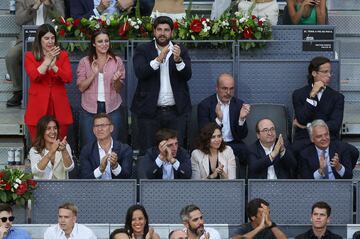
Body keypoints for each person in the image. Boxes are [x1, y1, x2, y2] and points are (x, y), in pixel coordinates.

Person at [131, 16, 192, 153]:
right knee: (148, 152)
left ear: (171, 32)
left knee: (177, 151)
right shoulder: (143, 50)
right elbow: (140, 72)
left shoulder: (180, 49)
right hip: (149, 113)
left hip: (176, 112)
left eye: (166, 30)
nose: (162, 33)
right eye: (159, 29)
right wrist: (159, 59)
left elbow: (187, 75)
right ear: (154, 31)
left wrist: (178, 60)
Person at [292, 56, 359, 166]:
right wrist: (312, 95)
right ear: (314, 73)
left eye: (330, 72)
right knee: (290, 153)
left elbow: (335, 125)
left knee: (353, 152)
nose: (329, 75)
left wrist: (308, 126)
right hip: (305, 139)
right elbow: (302, 118)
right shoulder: (299, 94)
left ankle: (342, 179)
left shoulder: (337, 97)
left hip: (329, 139)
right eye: (325, 72)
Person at [6, 0, 65, 107]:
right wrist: (34, 7)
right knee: (11, 56)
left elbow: (62, 19)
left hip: (50, 40)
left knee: (60, 54)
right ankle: (18, 92)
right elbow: (19, 20)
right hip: (27, 38)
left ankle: (55, 91)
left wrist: (50, 5)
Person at [77, 28, 125, 148]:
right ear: (94, 43)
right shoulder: (85, 62)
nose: (104, 44)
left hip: (112, 107)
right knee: (88, 145)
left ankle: (110, 166)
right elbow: (81, 88)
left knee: (112, 144)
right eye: (100, 41)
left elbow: (118, 89)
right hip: (89, 108)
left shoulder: (117, 61)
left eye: (106, 41)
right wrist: (94, 73)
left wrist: (116, 80)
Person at [24, 23, 73, 142]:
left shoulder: (63, 56)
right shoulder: (30, 56)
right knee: (38, 147)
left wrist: (54, 66)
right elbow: (34, 76)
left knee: (60, 146)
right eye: (46, 38)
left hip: (59, 106)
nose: (50, 41)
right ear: (39, 40)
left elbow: (68, 78)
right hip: (38, 107)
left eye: (52, 38)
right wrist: (46, 62)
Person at [197, 73, 250, 178]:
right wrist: (218, 120)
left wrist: (241, 119)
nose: (228, 92)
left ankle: (243, 187)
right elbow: (204, 134)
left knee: (247, 153)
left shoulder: (239, 104)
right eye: (224, 89)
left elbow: (242, 135)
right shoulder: (205, 105)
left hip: (233, 144)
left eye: (231, 89)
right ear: (217, 88)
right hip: (211, 144)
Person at [79, 113, 133, 179]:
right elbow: (84, 180)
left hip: (118, 188)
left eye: (103, 125)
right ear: (93, 130)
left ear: (111, 128)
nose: (99, 129)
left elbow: (127, 177)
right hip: (95, 188)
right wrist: (100, 169)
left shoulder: (125, 149)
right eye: (96, 126)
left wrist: (115, 166)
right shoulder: (87, 150)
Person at [29, 115, 74, 179]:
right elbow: (35, 172)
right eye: (48, 128)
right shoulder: (34, 150)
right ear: (42, 132)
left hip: (62, 187)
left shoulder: (64, 146)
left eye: (55, 128)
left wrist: (64, 151)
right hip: (41, 188)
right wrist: (51, 151)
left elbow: (69, 168)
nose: (53, 132)